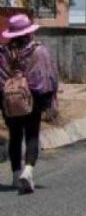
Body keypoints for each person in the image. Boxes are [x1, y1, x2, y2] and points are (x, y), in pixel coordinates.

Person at [0, 14, 59, 193]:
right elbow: (46, 78)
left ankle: (15, 175)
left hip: (9, 101)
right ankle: (28, 171)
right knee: (32, 135)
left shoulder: (3, 53)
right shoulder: (38, 51)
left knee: (15, 136)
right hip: (31, 100)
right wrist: (48, 102)